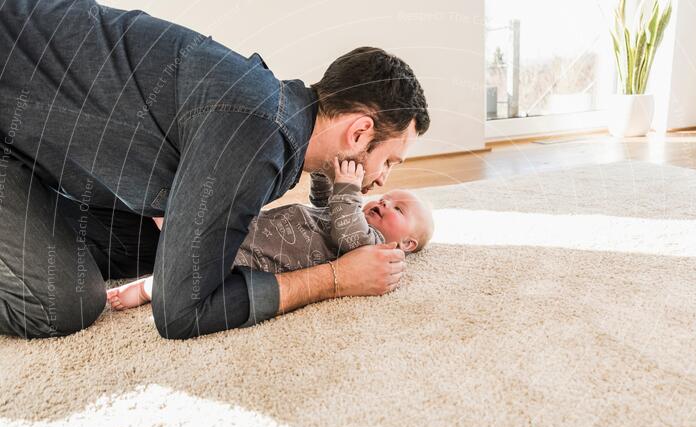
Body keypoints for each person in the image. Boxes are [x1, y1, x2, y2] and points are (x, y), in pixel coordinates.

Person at [0, 0, 429, 340]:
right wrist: (334, 279)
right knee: (64, 302)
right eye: (388, 160)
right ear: (358, 133)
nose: (381, 180)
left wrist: (335, 182)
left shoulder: (272, 114)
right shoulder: (256, 131)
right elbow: (181, 312)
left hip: (22, 137)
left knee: (165, 248)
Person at [106, 158, 435, 310]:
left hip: (259, 258)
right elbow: (324, 203)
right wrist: (326, 174)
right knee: (209, 226)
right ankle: (167, 227)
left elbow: (348, 233)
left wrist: (348, 189)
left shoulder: (375, 248)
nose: (385, 200)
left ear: (406, 244)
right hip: (253, 228)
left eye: (398, 209)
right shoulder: (347, 210)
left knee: (207, 263)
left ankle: (150, 287)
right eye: (387, 197)